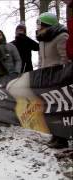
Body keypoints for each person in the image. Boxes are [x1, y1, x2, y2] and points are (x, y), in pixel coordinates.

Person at [36, 12, 70, 148]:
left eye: (40, 25)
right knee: (50, 107)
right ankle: (55, 135)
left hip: (59, 76)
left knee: (60, 107)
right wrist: (39, 72)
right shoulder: (42, 39)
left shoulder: (61, 36)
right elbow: (40, 59)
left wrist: (63, 74)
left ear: (48, 25)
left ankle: (63, 139)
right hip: (46, 76)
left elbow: (65, 57)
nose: (38, 27)